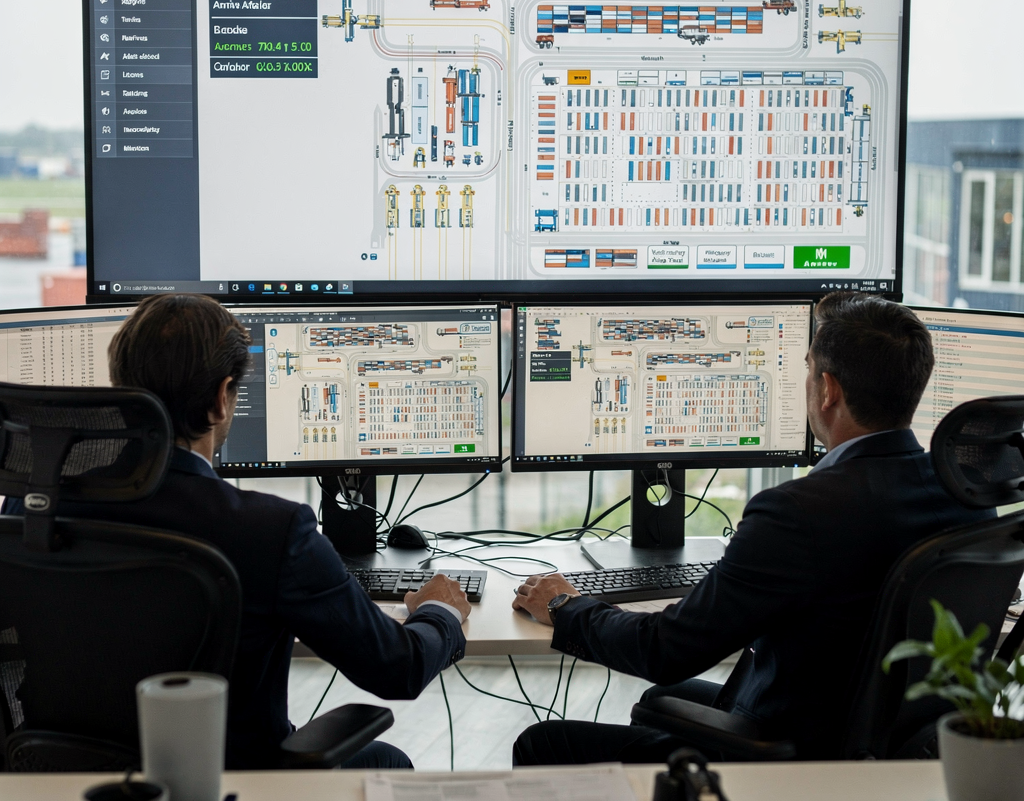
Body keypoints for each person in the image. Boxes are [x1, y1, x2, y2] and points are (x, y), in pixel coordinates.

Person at [511, 292, 992, 764]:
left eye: (806, 368)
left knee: (543, 742)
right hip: (891, 746)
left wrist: (565, 606)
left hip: (795, 756)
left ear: (828, 390)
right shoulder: (968, 496)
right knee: (664, 699)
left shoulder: (798, 513)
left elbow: (665, 649)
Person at [4, 294, 469, 770]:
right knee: (386, 760)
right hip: (225, 780)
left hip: (61, 776)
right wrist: (438, 611)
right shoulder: (271, 529)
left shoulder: (32, 508)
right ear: (221, 398)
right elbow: (398, 670)